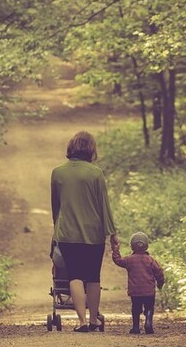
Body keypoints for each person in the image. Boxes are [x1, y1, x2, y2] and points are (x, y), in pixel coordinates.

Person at [51, 131, 119, 332]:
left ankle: (81, 322)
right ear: (91, 149)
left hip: (67, 233)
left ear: (71, 147)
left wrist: (57, 228)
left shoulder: (58, 173)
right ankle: (93, 320)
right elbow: (103, 206)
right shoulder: (96, 173)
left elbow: (56, 205)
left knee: (75, 276)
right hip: (93, 233)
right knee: (93, 276)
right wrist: (113, 233)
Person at [111, 232, 165, 334]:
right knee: (149, 307)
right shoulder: (150, 260)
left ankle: (136, 327)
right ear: (147, 246)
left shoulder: (129, 260)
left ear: (131, 246)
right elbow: (159, 272)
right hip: (149, 292)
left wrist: (115, 249)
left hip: (135, 292)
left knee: (136, 308)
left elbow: (118, 260)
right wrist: (160, 283)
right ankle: (148, 322)